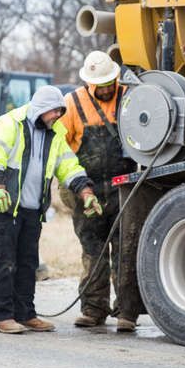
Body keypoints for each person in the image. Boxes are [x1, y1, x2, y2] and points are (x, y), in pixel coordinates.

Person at [0, 85, 102, 334]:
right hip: (6, 204)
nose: (58, 115)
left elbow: (68, 165)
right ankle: (2, 316)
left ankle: (26, 314)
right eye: (54, 111)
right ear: (41, 109)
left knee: (28, 262)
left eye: (60, 111)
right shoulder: (9, 124)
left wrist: (86, 191)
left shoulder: (55, 133)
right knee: (5, 261)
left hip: (32, 208)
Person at [60, 50, 141, 332]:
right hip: (87, 189)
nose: (106, 89)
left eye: (110, 82)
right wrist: (78, 189)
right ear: (89, 83)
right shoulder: (71, 104)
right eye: (100, 84)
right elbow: (61, 152)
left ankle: (126, 312)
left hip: (124, 188)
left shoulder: (132, 97)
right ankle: (93, 309)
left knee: (125, 250)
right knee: (93, 250)